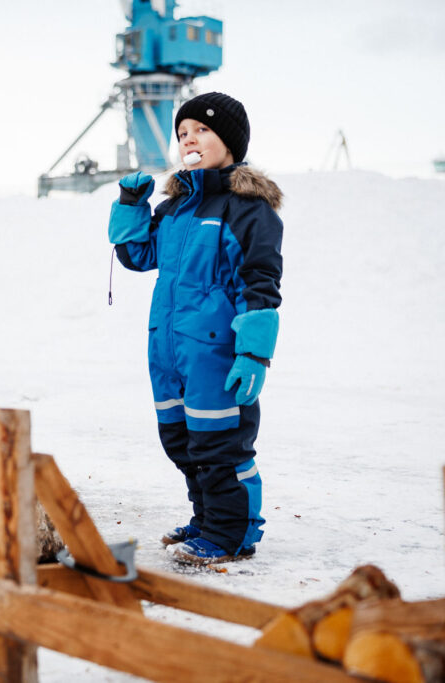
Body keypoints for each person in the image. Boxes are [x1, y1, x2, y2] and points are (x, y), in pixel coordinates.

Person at [107, 92, 283, 565]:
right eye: (183, 133)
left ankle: (232, 534)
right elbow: (136, 256)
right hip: (167, 349)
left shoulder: (248, 209)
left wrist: (253, 353)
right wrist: (130, 204)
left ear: (229, 141)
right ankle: (207, 519)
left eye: (201, 130)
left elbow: (259, 283)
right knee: (182, 441)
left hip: (215, 354)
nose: (190, 139)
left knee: (220, 445)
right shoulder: (176, 207)